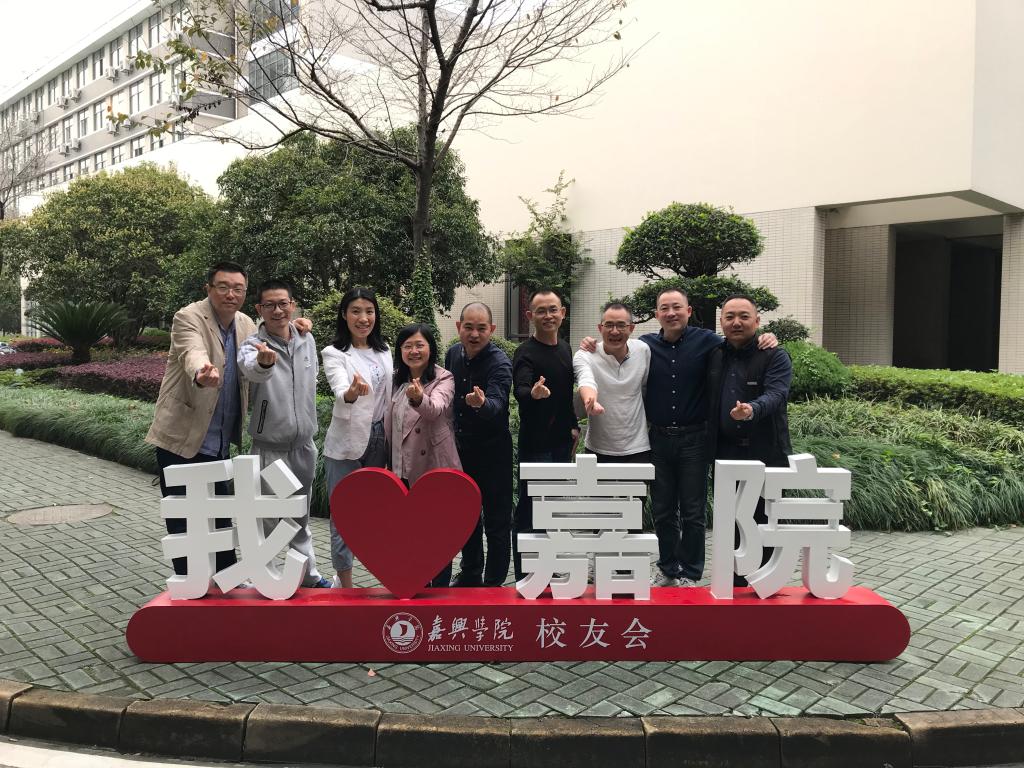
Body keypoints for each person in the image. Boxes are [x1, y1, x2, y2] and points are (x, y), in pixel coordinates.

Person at [580, 287, 776, 588]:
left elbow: (740, 340)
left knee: (693, 511)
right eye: (664, 308)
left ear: (688, 311)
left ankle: (691, 572)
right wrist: (591, 343)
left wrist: (768, 337)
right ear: (657, 314)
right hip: (658, 439)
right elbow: (613, 344)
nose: (671, 313)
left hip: (694, 439)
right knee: (663, 510)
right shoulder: (645, 346)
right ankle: (668, 568)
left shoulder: (709, 342)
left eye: (677, 307)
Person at [145, 261, 310, 577]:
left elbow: (272, 328)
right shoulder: (188, 317)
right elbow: (191, 350)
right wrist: (201, 370)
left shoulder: (246, 324)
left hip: (219, 440)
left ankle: (224, 582)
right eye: (223, 287)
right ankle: (191, 586)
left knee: (219, 515)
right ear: (208, 289)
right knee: (184, 520)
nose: (230, 294)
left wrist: (296, 324)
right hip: (182, 436)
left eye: (238, 288)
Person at [237, 279, 331, 588]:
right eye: (270, 305)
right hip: (270, 445)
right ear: (259, 309)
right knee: (266, 516)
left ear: (293, 305)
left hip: (303, 445)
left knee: (299, 515)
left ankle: (307, 576)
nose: (277, 311)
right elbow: (250, 370)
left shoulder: (306, 338)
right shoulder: (252, 345)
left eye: (283, 304)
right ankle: (261, 576)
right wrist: (264, 364)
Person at [706, 294, 793, 586]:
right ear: (721, 321)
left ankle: (764, 584)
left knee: (764, 521)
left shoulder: (775, 355)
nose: (736, 322)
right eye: (730, 317)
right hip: (725, 455)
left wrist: (751, 409)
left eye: (744, 316)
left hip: (765, 454)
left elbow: (777, 394)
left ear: (757, 321)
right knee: (730, 520)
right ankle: (733, 584)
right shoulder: (715, 354)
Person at [321, 287, 392, 589]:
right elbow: (340, 387)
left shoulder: (384, 350)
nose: (364, 318)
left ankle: (386, 576)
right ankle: (346, 584)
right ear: (344, 315)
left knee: (375, 515)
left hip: (380, 439)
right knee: (343, 515)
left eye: (369, 311)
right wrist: (350, 393)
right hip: (347, 444)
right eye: (356, 311)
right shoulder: (334, 353)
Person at [384, 323, 460, 587]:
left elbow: (436, 409)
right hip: (400, 468)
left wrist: (418, 398)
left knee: (437, 535)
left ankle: (439, 591)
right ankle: (416, 585)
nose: (414, 351)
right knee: (409, 534)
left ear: (430, 348)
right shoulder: (395, 379)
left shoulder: (443, 378)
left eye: (419, 345)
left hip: (432, 468)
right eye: (407, 346)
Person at [512, 288, 579, 582]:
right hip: (536, 445)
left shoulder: (565, 348)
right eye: (541, 311)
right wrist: (533, 393)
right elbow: (520, 389)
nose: (548, 315)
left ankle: (546, 566)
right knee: (530, 508)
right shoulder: (525, 352)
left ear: (562, 313)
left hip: (562, 443)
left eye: (553, 309)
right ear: (530, 316)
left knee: (551, 507)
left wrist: (574, 426)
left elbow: (566, 397)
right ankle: (525, 573)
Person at [446, 302, 514, 588]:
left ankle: (494, 582)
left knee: (497, 520)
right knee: (466, 516)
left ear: (492, 330)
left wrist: (482, 404)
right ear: (459, 327)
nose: (474, 334)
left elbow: (498, 403)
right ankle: (470, 572)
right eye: (469, 327)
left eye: (481, 328)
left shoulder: (500, 362)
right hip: (461, 450)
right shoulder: (453, 354)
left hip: (493, 451)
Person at [573, 301, 651, 463]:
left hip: (638, 447)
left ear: (631, 328)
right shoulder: (585, 355)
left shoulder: (643, 350)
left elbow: (644, 386)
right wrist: (590, 400)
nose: (614, 331)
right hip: (597, 448)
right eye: (609, 325)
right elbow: (586, 379)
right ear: (600, 328)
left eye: (621, 325)